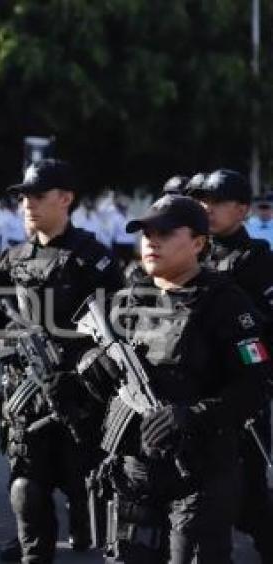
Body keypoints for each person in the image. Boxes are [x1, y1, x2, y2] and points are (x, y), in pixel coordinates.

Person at [80, 194, 271, 562]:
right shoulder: (128, 300)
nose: (152, 241)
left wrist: (193, 414)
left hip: (200, 473)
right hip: (136, 472)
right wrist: (92, 367)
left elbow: (255, 386)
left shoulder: (226, 303)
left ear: (198, 243)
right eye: (146, 233)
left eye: (165, 233)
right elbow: (100, 376)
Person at [0, 159, 125, 562]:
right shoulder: (14, 256)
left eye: (38, 196)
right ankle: (32, 553)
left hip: (79, 394)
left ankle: (87, 533)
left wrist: (82, 371)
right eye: (23, 197)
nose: (28, 204)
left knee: (86, 486)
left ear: (66, 199)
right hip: (26, 392)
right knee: (25, 486)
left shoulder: (93, 258)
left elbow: (119, 331)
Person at [186, 170, 273, 562]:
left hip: (238, 388)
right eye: (201, 200)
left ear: (242, 209)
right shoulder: (191, 249)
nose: (206, 208)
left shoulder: (255, 259)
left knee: (249, 492)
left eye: (215, 201)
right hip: (191, 385)